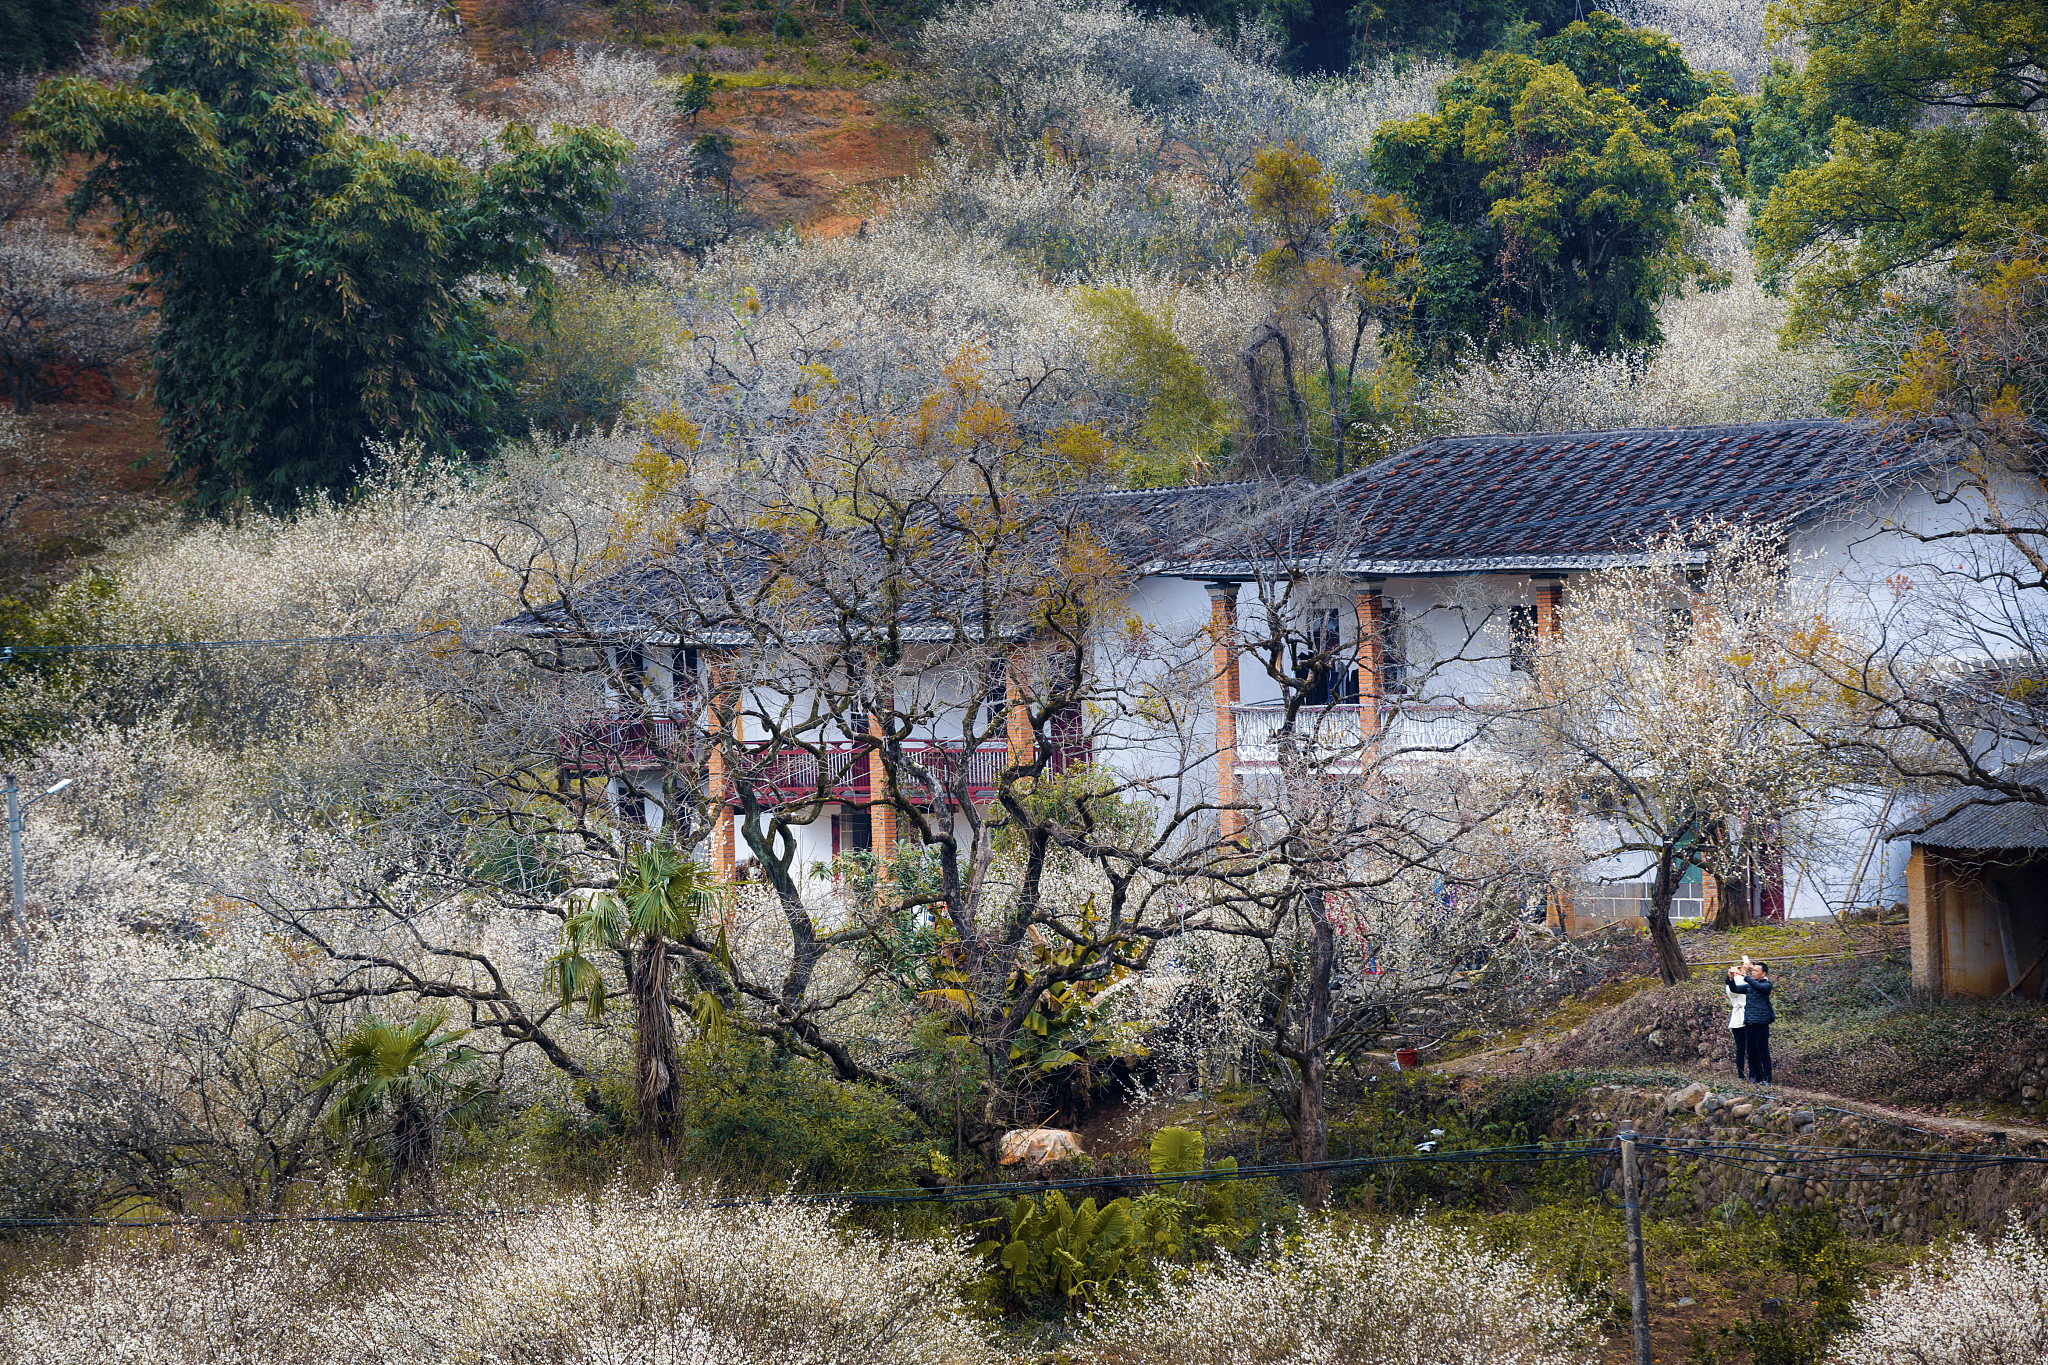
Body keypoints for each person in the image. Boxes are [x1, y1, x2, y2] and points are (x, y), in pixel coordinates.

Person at [1727, 960, 1775, 1085]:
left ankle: (1767, 1079)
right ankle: (1756, 1077)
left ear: (1763, 974)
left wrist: (1745, 976)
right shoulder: (1749, 986)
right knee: (1751, 1052)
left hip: (1761, 1023)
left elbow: (1758, 987)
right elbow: (1735, 989)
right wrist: (1730, 979)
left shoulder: (1767, 985)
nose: (1752, 973)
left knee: (1763, 1052)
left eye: (1755, 971)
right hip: (1749, 1022)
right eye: (1752, 971)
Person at [1724, 957, 1748, 1079]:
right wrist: (1735, 976)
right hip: (1739, 1017)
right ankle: (1741, 1075)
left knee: (1744, 1048)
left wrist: (1744, 973)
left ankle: (1747, 1075)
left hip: (1747, 1015)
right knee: (1741, 1048)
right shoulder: (1732, 983)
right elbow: (1734, 992)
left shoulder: (1746, 980)